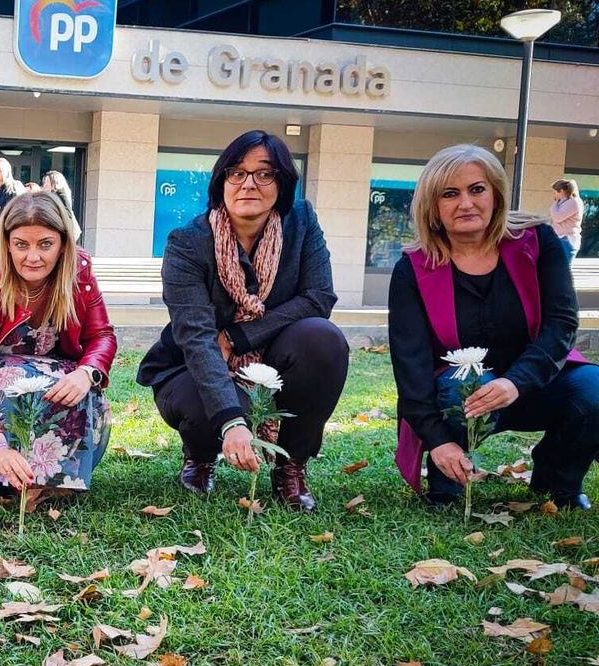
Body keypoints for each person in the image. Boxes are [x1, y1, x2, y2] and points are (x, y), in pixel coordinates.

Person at [136, 130, 347, 511]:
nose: (248, 183)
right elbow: (198, 338)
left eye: (264, 174)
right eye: (237, 172)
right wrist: (233, 422)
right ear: (221, 183)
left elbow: (319, 298)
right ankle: (200, 455)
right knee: (214, 411)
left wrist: (238, 336)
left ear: (282, 184)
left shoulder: (301, 223)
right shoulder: (188, 242)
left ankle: (290, 465)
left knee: (322, 338)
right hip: (189, 365)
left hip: (273, 355)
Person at [391, 145, 597, 509]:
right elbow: (411, 366)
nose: (466, 203)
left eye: (477, 189)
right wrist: (437, 440)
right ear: (433, 207)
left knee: (593, 391)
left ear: (496, 194)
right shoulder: (413, 269)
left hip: (536, 381)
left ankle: (556, 481)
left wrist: (515, 381)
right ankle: (449, 479)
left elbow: (562, 323)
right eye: (449, 194)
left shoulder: (538, 242)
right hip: (460, 395)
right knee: (460, 384)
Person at [0, 191, 116, 503]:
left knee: (77, 384)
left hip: (60, 375)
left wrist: (87, 372)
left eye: (45, 244)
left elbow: (102, 336)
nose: (33, 256)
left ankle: (56, 479)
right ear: (6, 243)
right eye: (21, 245)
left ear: (63, 244)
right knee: (10, 376)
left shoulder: (79, 272)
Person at [41, 169, 84, 243]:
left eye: (47, 183)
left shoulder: (60, 195)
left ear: (54, 183)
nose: (44, 186)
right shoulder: (51, 196)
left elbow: (68, 214)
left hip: (63, 232)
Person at [551, 179, 583, 260]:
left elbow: (557, 217)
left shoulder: (573, 202)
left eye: (555, 192)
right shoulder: (564, 202)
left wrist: (555, 203)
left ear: (561, 191)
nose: (554, 195)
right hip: (561, 239)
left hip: (567, 240)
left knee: (562, 271)